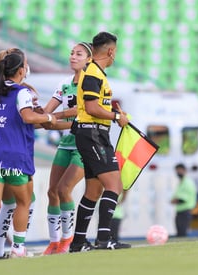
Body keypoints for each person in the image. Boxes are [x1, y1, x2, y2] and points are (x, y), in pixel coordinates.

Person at [0, 49, 57, 261]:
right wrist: (52, 117)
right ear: (21, 69)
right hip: (14, 157)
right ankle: (18, 248)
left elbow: (16, 122)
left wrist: (58, 118)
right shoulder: (22, 92)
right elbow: (29, 118)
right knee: (24, 201)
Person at [69, 31, 131, 252]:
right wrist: (116, 117)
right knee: (115, 185)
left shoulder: (94, 72)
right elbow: (92, 107)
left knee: (93, 191)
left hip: (93, 133)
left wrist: (113, 113)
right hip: (93, 134)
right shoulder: (94, 72)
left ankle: (78, 243)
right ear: (111, 51)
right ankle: (105, 239)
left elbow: (93, 106)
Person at [41, 42, 92, 255]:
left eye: (78, 54)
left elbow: (82, 115)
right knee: (51, 191)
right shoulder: (64, 84)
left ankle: (67, 240)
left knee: (64, 190)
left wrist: (55, 119)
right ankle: (54, 242)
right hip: (66, 143)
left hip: (84, 145)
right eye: (71, 53)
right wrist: (40, 115)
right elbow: (46, 113)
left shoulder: (91, 84)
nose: (73, 56)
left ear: (89, 59)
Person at [170, 163, 197, 237]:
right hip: (180, 211)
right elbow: (176, 196)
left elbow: (182, 199)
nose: (178, 172)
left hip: (185, 211)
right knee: (179, 233)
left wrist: (174, 200)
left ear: (184, 170)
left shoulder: (187, 182)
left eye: (179, 170)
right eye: (177, 170)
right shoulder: (181, 182)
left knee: (182, 233)